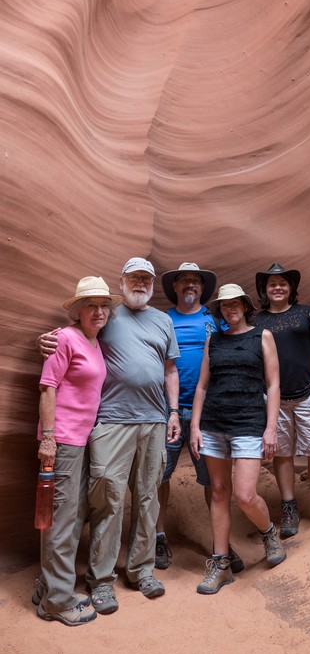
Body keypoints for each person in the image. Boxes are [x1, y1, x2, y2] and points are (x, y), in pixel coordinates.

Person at [37, 257, 180, 614]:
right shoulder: (107, 318)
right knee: (108, 500)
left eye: (146, 278)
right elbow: (72, 336)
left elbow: (170, 369)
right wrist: (49, 339)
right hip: (112, 423)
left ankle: (141, 570)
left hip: (154, 420)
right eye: (134, 277)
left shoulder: (163, 321)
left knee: (148, 497)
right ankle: (101, 581)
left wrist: (174, 411)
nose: (140, 283)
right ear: (122, 281)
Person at [34, 276, 123, 626]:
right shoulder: (65, 338)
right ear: (78, 310)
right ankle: (57, 601)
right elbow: (47, 388)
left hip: (81, 440)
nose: (100, 311)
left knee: (69, 516)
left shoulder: (93, 342)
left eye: (104, 306)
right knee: (61, 519)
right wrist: (48, 438)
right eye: (92, 305)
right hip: (63, 439)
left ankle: (48, 588)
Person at [190, 284, 286, 595]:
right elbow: (202, 387)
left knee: (245, 495)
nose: (230, 309)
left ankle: (268, 532)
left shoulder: (262, 336)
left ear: (245, 306)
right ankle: (221, 564)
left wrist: (271, 427)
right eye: (224, 306)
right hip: (214, 424)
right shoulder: (213, 340)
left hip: (249, 423)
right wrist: (194, 425)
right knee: (219, 490)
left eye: (235, 304)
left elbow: (273, 385)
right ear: (219, 310)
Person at [156, 263, 243, 574]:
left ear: (203, 289)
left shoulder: (215, 320)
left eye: (195, 281)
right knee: (160, 476)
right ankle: (158, 536)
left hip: (208, 411)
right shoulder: (164, 319)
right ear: (176, 288)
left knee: (214, 481)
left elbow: (236, 346)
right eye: (184, 281)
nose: (190, 285)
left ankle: (221, 545)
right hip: (170, 410)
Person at [254, 263, 310, 537]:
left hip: (309, 393)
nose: (278, 287)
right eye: (272, 284)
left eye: (283, 283)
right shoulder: (257, 321)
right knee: (281, 453)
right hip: (274, 398)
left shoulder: (307, 314)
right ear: (264, 290)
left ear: (291, 288)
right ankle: (289, 507)